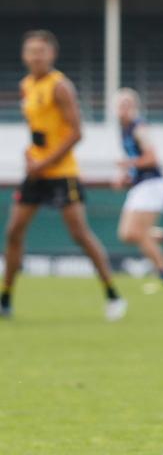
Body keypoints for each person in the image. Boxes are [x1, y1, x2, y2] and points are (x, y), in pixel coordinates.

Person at [3, 30, 127, 321]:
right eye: (31, 51)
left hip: (61, 173)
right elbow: (40, 130)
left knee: (79, 235)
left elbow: (76, 132)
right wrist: (29, 153)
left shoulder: (60, 87)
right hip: (36, 172)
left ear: (51, 55)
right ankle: (5, 298)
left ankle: (113, 294)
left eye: (41, 51)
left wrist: (44, 161)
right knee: (13, 232)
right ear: (24, 55)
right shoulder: (26, 86)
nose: (36, 56)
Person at [113, 88, 163, 286]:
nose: (124, 109)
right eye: (121, 105)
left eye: (128, 104)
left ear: (135, 107)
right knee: (127, 234)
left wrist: (128, 165)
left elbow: (152, 158)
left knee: (138, 233)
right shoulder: (123, 130)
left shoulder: (139, 128)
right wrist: (127, 176)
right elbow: (136, 160)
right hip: (141, 184)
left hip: (152, 184)